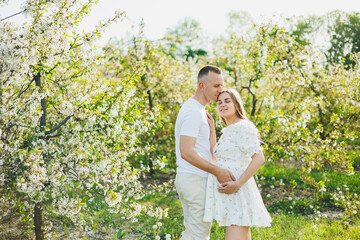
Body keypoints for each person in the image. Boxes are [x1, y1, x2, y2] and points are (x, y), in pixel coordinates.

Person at [175, 66, 236, 240]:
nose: (221, 90)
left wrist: (212, 133)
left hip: (192, 179)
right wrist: (217, 171)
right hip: (194, 180)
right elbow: (186, 151)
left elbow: (203, 150)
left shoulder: (199, 111)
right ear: (202, 86)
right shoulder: (193, 112)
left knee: (191, 234)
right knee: (199, 236)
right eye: (216, 86)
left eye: (222, 85)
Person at [203, 89, 272, 240]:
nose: (222, 104)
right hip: (232, 197)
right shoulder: (228, 130)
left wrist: (238, 184)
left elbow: (259, 157)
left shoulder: (242, 127)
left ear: (236, 104)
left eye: (227, 101)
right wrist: (212, 129)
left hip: (239, 193)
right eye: (219, 102)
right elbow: (216, 157)